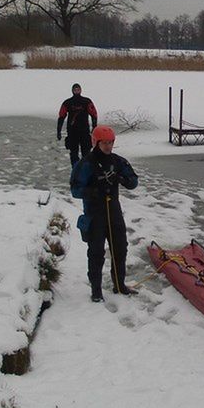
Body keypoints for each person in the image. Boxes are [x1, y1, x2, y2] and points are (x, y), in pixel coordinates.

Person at [70, 125, 139, 302]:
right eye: (105, 143)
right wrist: (92, 191)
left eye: (111, 143)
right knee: (96, 253)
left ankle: (119, 285)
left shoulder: (117, 161)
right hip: (94, 214)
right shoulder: (86, 163)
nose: (108, 146)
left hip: (114, 212)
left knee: (120, 249)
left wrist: (122, 179)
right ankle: (96, 291)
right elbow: (75, 189)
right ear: (96, 142)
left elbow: (133, 181)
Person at [57, 83, 99, 167]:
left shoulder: (86, 101)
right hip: (72, 132)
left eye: (78, 89)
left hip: (84, 132)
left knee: (86, 153)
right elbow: (61, 116)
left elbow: (94, 114)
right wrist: (59, 131)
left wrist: (94, 128)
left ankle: (86, 170)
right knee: (73, 153)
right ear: (72, 91)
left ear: (81, 90)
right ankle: (75, 169)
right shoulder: (67, 102)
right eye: (75, 90)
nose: (76, 91)